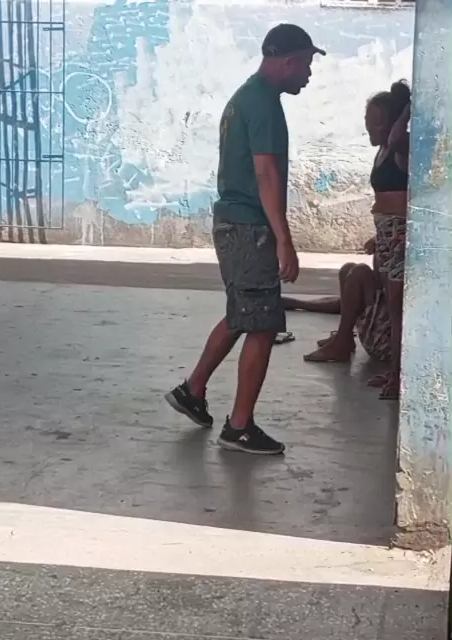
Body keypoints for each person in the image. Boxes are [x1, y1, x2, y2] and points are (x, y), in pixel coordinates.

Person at [165, 24, 325, 454]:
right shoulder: (264, 104)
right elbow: (266, 173)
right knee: (263, 324)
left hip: (234, 222)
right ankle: (239, 426)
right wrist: (284, 239)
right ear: (288, 62)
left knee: (243, 313)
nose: (309, 74)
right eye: (307, 64)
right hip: (250, 226)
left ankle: (193, 390)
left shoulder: (246, 97)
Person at [297, 81, 410, 400]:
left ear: (393, 124)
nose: (370, 128)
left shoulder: (402, 147)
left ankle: (399, 375)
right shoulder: (383, 152)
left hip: (399, 234)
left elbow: (399, 140)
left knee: (397, 304)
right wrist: (379, 235)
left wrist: (407, 109)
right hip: (388, 232)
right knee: (369, 283)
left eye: (378, 123)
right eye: (367, 121)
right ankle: (354, 345)